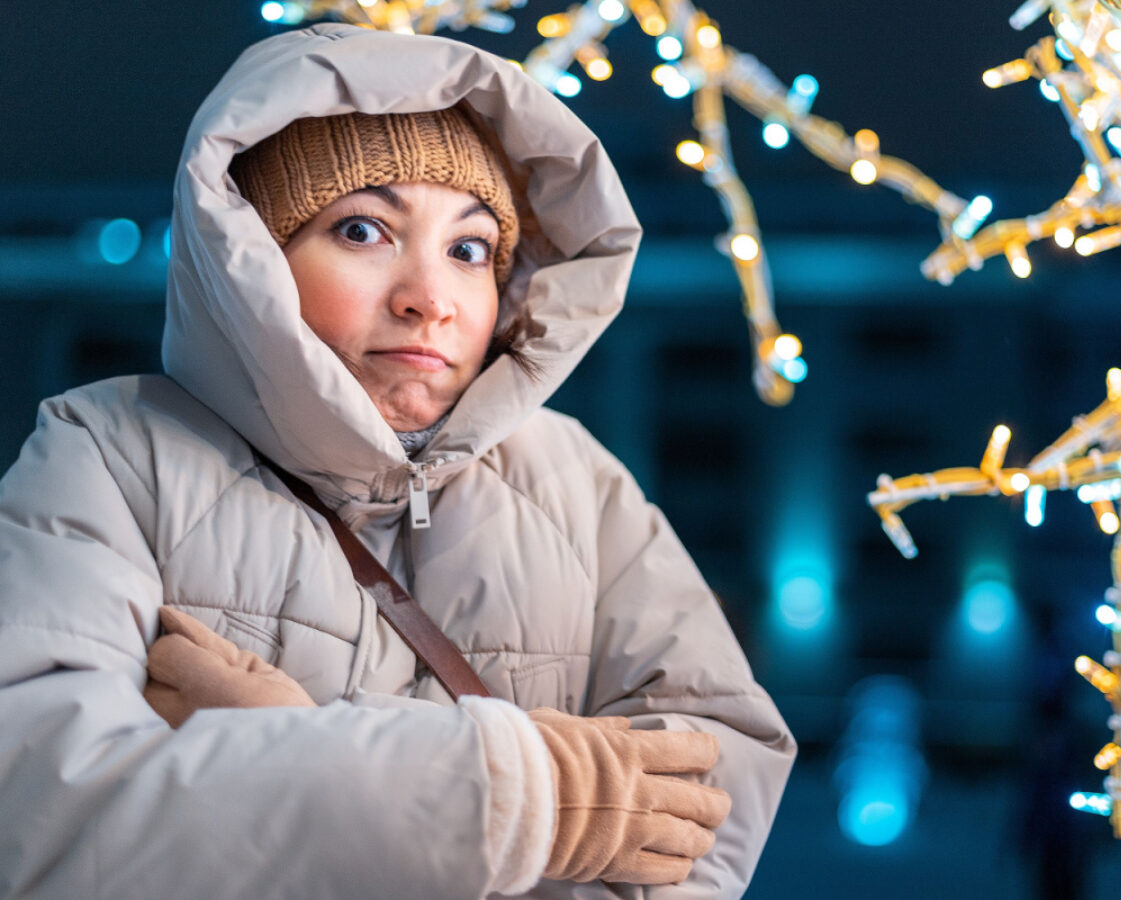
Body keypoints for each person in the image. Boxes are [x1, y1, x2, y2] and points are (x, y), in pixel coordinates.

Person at [0, 23, 795, 898]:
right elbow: (42, 815)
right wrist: (525, 798)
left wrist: (289, 757)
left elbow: (713, 796)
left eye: (469, 250)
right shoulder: (110, 456)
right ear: (251, 261)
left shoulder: (574, 481)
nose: (430, 300)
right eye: (363, 230)